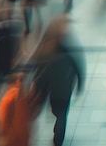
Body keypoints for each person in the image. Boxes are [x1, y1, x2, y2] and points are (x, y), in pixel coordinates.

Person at [32, 15, 86, 146]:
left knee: (56, 112)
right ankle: (58, 139)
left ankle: (57, 136)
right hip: (63, 91)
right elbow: (79, 68)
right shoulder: (69, 53)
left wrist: (36, 87)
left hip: (51, 89)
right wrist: (79, 85)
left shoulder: (44, 51)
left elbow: (37, 69)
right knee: (61, 114)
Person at [0, 73, 37, 146]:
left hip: (21, 138)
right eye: (21, 81)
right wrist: (11, 136)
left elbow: (29, 116)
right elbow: (4, 121)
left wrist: (34, 99)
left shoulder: (22, 99)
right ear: (16, 82)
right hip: (15, 140)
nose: (23, 84)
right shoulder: (9, 99)